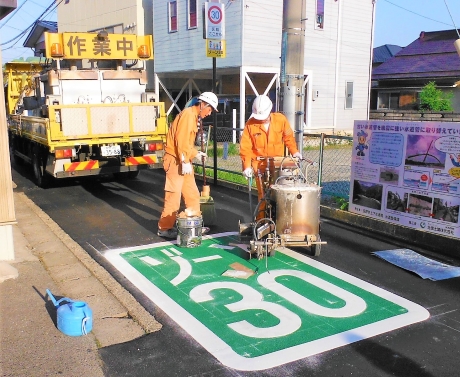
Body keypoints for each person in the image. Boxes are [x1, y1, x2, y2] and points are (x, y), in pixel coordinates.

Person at [157, 92, 218, 238]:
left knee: (192, 195)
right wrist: (185, 160)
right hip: (175, 161)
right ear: (203, 104)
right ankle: (164, 228)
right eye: (210, 109)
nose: (210, 113)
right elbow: (181, 140)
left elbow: (186, 143)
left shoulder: (192, 116)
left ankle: (193, 225)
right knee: (173, 196)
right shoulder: (188, 116)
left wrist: (195, 154)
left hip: (183, 160)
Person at [239, 94, 302, 219]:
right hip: (259, 165)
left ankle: (281, 222)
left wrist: (294, 151)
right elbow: (245, 148)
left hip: (278, 164)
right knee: (263, 196)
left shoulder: (280, 120)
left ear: (269, 111)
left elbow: (288, 137)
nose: (260, 119)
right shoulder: (250, 124)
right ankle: (261, 222)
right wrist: (246, 166)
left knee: (280, 193)